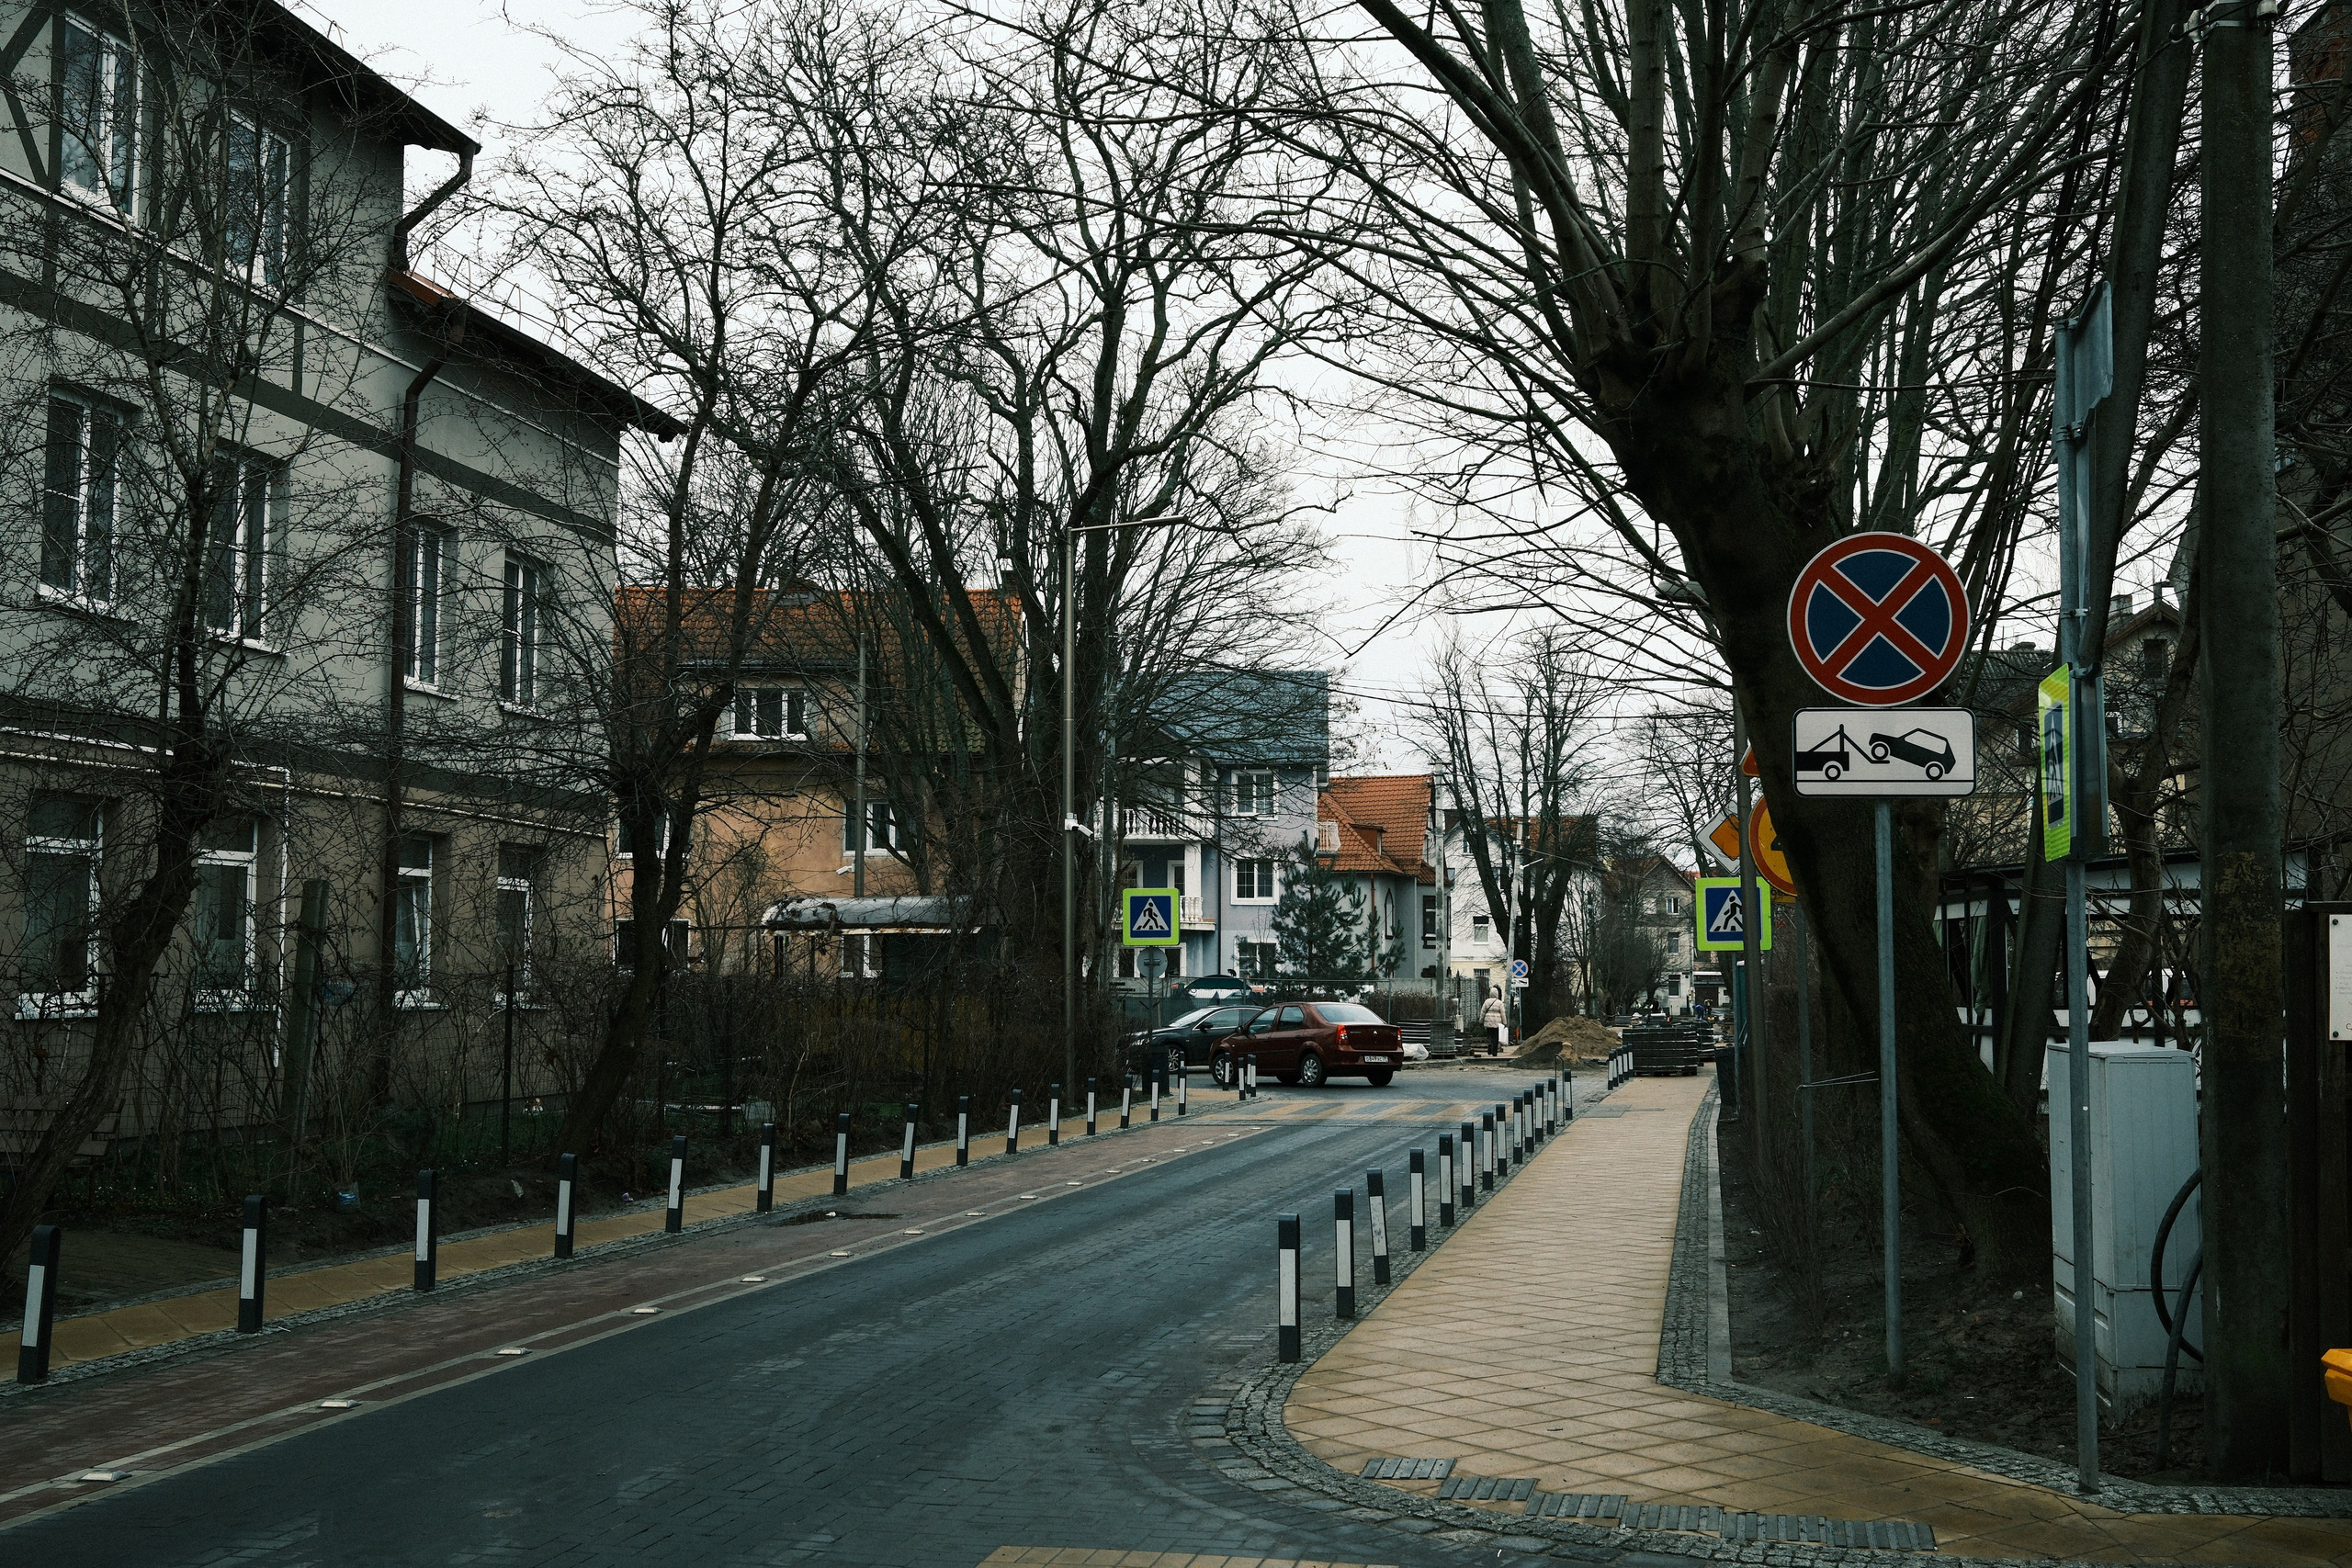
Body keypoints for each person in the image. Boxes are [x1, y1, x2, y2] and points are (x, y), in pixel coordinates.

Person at [1481, 988, 1508, 1056]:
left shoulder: (1486, 1002)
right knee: (1496, 1037)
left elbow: (1483, 1012)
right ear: (1497, 994)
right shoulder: (1500, 1003)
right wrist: (1505, 1022)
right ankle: (1494, 1052)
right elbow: (1503, 1013)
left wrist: (1481, 1020)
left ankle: (1489, 1044)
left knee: (1489, 1034)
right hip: (1497, 1023)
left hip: (1488, 1021)